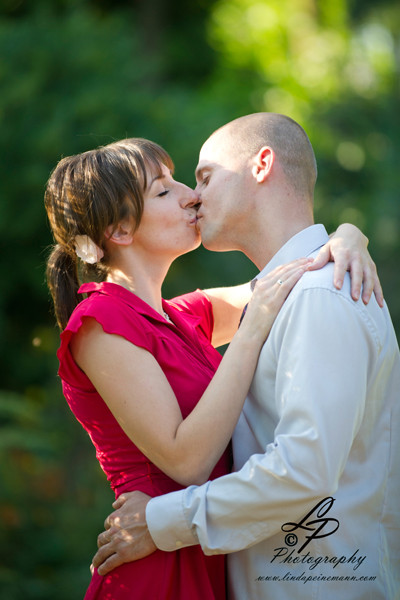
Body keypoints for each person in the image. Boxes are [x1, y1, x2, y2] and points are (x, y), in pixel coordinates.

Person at [92, 114, 400, 600]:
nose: (194, 195)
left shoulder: (321, 295)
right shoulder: (283, 295)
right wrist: (346, 234)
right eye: (171, 188)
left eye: (204, 176)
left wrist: (161, 520)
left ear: (262, 165)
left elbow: (302, 470)